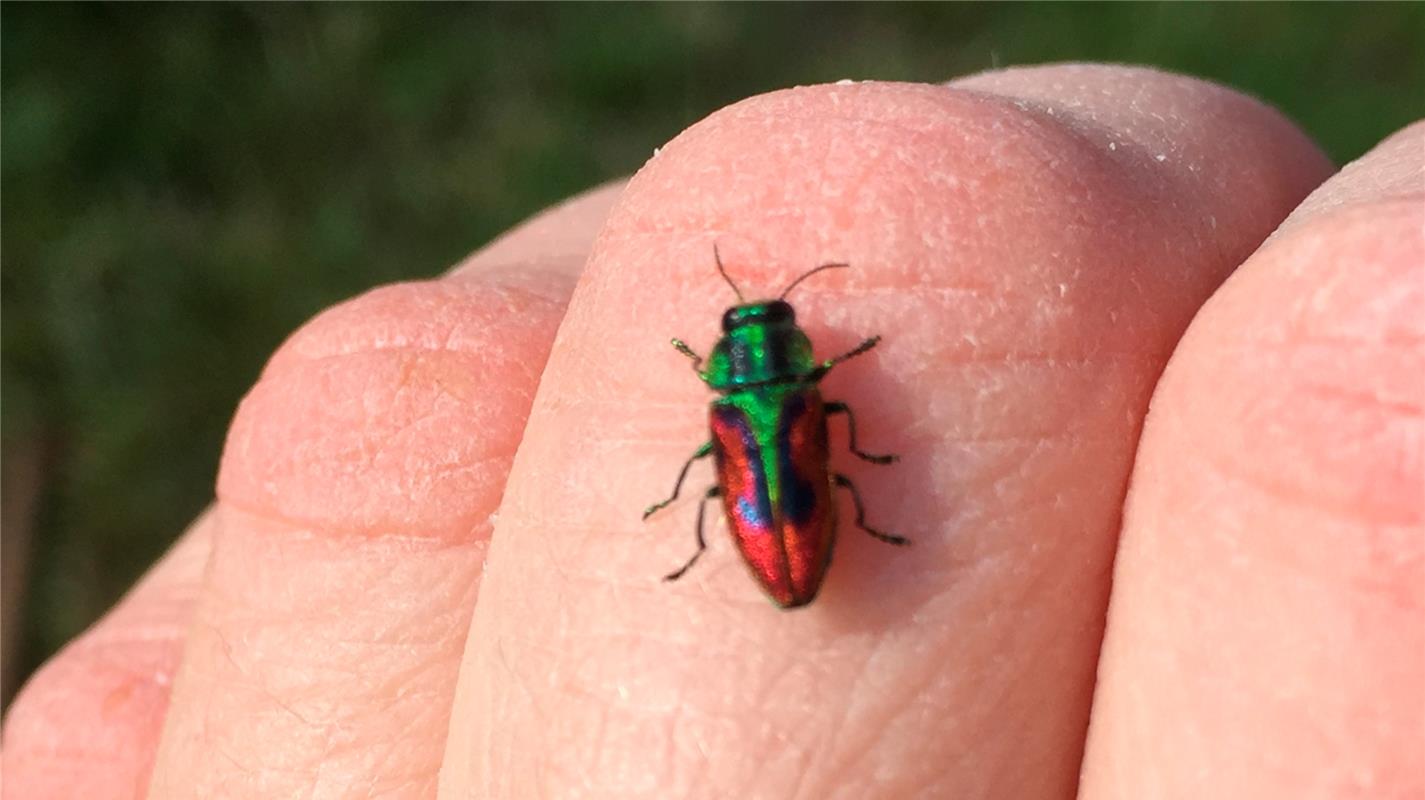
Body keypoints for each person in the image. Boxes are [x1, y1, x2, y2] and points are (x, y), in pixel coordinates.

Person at [5, 64, 1421, 799]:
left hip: (761, 519)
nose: (769, 351)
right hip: (786, 512)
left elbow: (749, 432)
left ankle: (720, 542)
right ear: (783, 363)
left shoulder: (742, 401)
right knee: (824, 482)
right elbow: (810, 426)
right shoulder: (802, 398)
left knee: (762, 488)